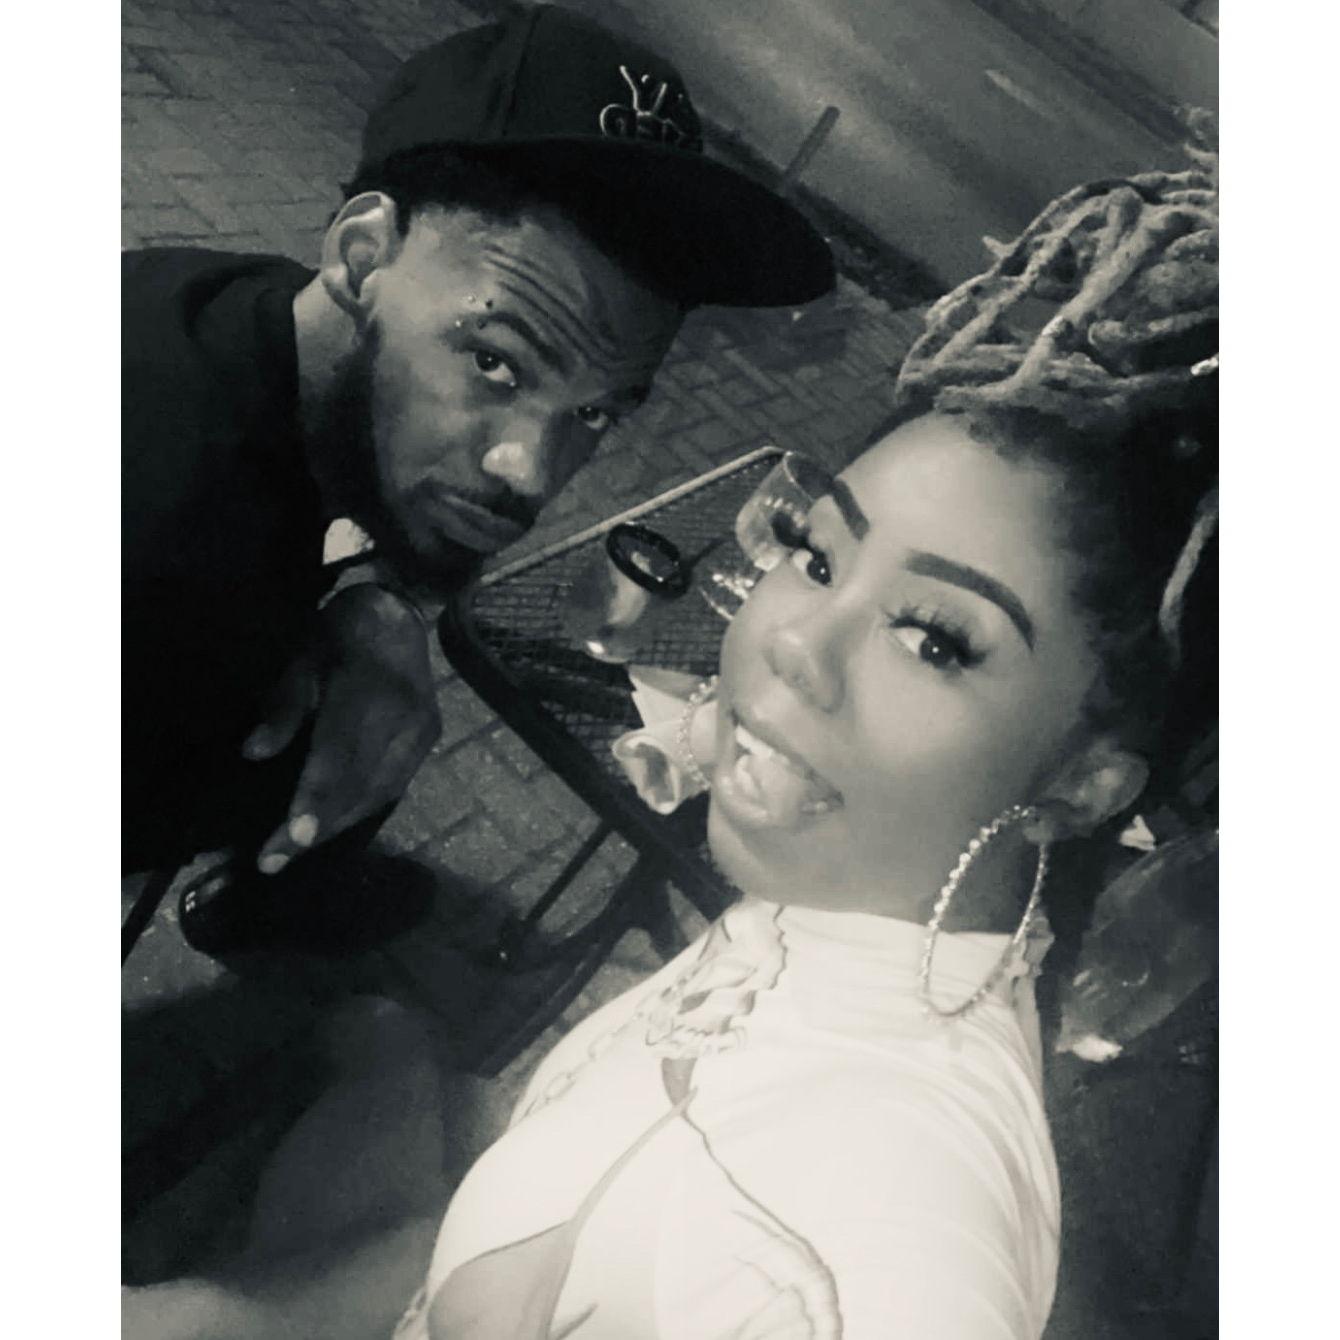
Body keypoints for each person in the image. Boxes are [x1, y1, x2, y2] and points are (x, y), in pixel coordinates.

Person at [123, 146, 1217, 1338]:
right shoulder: (848, 908)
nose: (790, 643)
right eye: (815, 552)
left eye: (934, 639)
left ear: (1084, 781)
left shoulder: (878, 1236)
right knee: (382, 1035)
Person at [122, 4, 834, 954]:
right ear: (362, 256)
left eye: (596, 412)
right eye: (495, 362)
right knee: (369, 731)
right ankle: (273, 908)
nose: (529, 473)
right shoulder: (162, 557)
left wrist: (374, 597)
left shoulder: (245, 312)